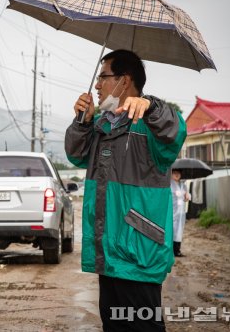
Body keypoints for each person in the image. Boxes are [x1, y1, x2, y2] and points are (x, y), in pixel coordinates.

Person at [64, 50, 187, 331]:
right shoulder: (101, 126)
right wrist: (82, 120)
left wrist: (150, 106)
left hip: (138, 251)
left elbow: (175, 129)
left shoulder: (152, 127)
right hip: (109, 251)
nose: (96, 86)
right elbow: (76, 154)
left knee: (143, 327)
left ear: (124, 81)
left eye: (102, 77)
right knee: (114, 324)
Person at [171, 169, 190, 257]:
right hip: (172, 211)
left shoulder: (183, 185)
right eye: (174, 173)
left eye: (178, 173)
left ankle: (177, 250)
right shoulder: (169, 184)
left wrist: (187, 196)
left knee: (179, 230)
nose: (176, 175)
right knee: (172, 230)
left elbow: (187, 197)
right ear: (171, 174)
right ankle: (170, 251)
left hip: (181, 212)